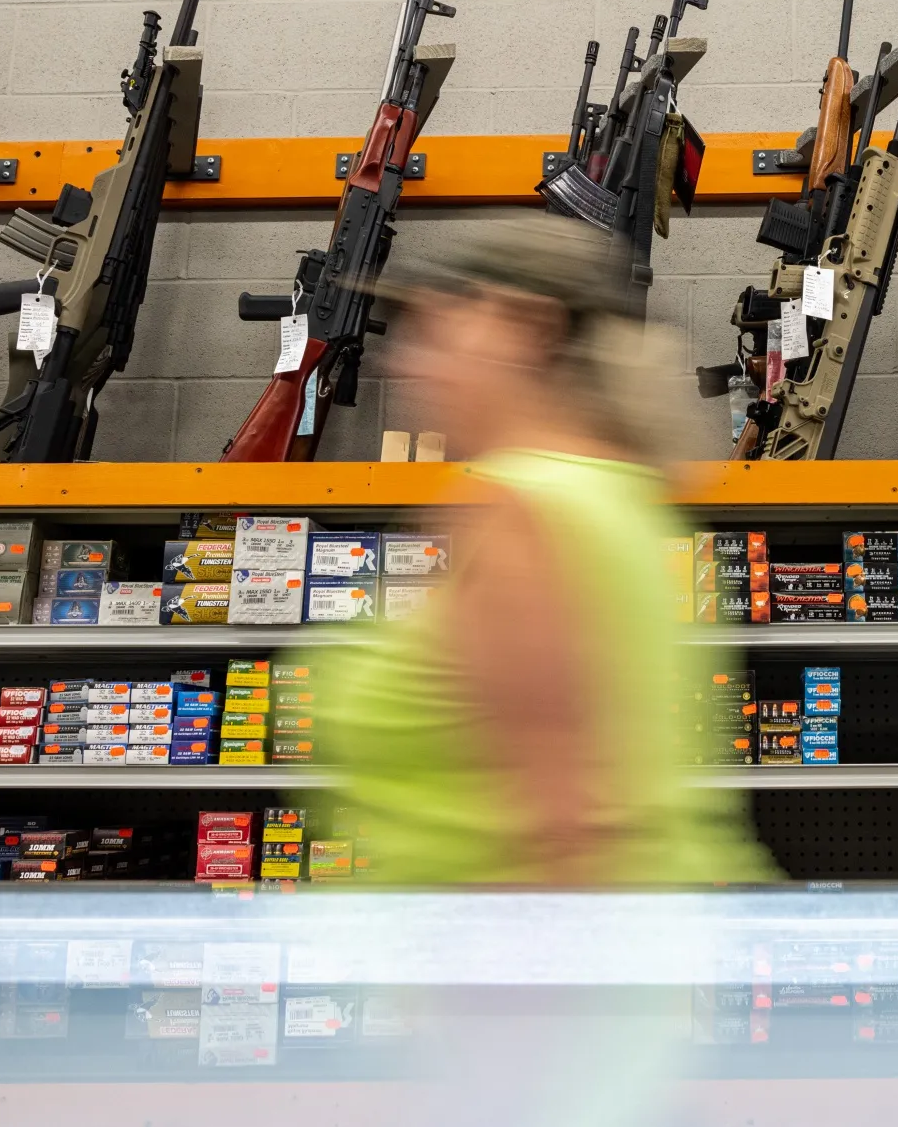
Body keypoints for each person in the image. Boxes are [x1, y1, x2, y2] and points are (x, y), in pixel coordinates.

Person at [318, 212, 775, 886]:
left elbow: (565, 835)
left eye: (440, 328)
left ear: (525, 328)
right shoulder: (620, 488)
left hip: (527, 971)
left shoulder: (519, 511)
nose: (411, 358)